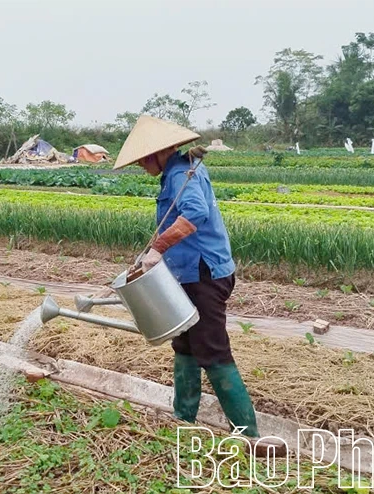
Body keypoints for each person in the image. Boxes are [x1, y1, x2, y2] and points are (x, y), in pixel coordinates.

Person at [114, 115, 284, 454]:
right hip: (188, 274)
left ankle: (249, 435)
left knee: (212, 349)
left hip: (204, 274)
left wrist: (157, 249)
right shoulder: (177, 172)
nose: (142, 166)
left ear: (157, 154)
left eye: (143, 160)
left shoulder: (181, 173)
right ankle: (183, 418)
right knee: (186, 344)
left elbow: (194, 214)